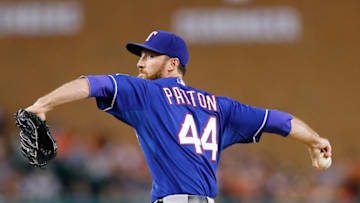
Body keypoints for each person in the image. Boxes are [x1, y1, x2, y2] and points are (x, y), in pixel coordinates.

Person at [25, 30, 332, 203]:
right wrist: (315, 141)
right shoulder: (219, 106)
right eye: (141, 56)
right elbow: (277, 121)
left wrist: (42, 105)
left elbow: (92, 84)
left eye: (149, 56)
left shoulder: (148, 93)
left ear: (172, 64)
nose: (140, 63)